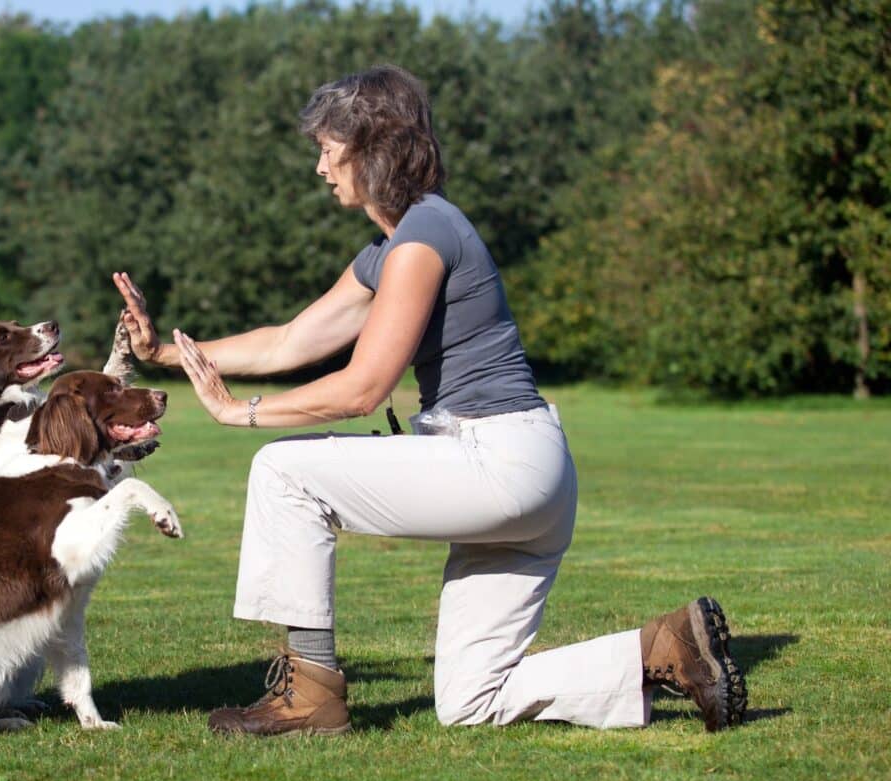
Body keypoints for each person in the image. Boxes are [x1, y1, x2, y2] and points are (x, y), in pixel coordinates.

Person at [110, 65, 747, 736]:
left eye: (329, 148)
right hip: (524, 474)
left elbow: (363, 388)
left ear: (371, 148)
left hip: (499, 466)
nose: (321, 166)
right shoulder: (396, 246)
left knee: (282, 470)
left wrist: (242, 413)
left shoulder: (422, 240)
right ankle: (664, 648)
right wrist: (166, 355)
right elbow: (291, 340)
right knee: (469, 701)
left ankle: (311, 696)